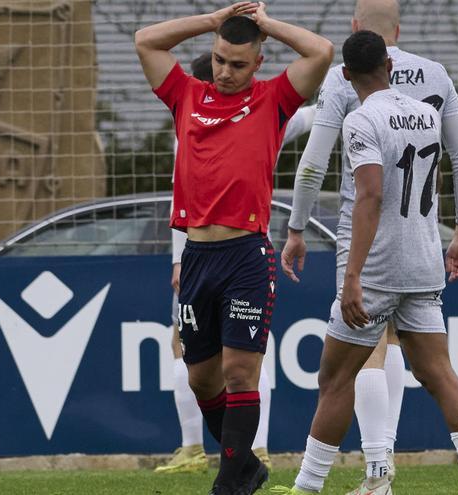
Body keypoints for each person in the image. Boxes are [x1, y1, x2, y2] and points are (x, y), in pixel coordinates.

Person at [270, 30, 458, 495]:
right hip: (424, 258)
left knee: (335, 377)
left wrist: (352, 276)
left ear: (346, 74)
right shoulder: (426, 113)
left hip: (377, 266)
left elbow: (369, 197)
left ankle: (306, 488)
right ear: (390, 68)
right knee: (439, 374)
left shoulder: (361, 119)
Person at [135, 3, 333, 493]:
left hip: (246, 255)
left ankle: (230, 482)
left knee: (240, 372)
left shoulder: (274, 101)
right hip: (198, 258)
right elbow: (146, 41)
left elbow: (322, 51)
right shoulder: (186, 94)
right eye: (220, 59)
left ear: (258, 62)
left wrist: (265, 25)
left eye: (238, 63)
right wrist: (212, 20)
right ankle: (244, 465)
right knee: (201, 378)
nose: (225, 71)